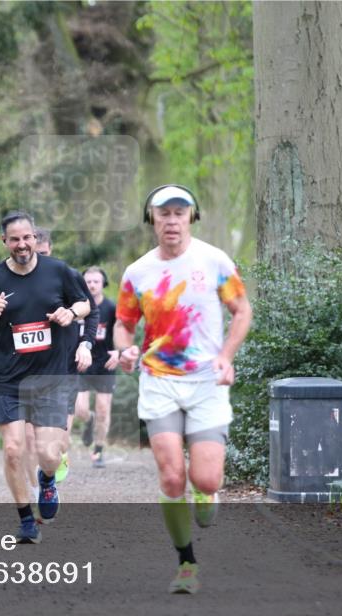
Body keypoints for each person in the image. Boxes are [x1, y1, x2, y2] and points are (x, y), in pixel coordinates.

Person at [114, 185, 253, 593]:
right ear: (152, 219)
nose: (172, 220)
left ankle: (208, 494)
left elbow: (242, 309)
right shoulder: (137, 272)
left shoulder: (214, 261)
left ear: (191, 217)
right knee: (173, 478)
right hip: (159, 382)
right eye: (164, 213)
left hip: (207, 382)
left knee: (206, 479)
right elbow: (123, 323)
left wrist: (227, 355)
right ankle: (186, 564)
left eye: (179, 212)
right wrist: (125, 351)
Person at [0, 211, 91, 544]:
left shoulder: (59, 271)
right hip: (11, 380)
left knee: (49, 455)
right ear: (4, 242)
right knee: (13, 451)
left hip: (51, 378)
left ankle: (47, 481)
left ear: (36, 238)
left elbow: (85, 304)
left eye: (27, 237)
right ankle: (25, 520)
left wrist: (70, 312)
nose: (22, 244)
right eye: (14, 239)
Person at [22, 228, 96, 493]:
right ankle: (37, 493)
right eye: (33, 253)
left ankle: (57, 461)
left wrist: (85, 345)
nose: (37, 259)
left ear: (50, 250)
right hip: (28, 371)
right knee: (29, 439)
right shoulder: (15, 279)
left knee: (58, 443)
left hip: (63, 369)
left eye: (43, 253)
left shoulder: (65, 276)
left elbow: (92, 311)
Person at [73, 266, 118, 468]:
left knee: (103, 408)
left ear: (103, 284)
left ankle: (98, 451)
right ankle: (88, 420)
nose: (91, 285)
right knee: (80, 409)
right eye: (88, 281)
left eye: (95, 281)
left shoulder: (111, 308)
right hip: (82, 362)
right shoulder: (77, 307)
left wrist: (119, 352)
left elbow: (121, 333)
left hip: (104, 364)